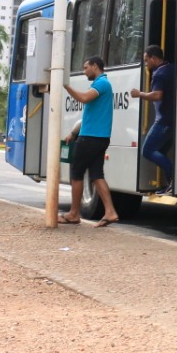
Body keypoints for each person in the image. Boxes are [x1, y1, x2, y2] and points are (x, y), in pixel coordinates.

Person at [60, 56, 120, 227]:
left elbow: (84, 98)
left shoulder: (102, 83)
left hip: (90, 139)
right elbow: (89, 117)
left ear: (95, 66)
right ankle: (110, 211)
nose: (84, 71)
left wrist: (66, 86)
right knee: (96, 175)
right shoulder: (101, 84)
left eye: (86, 67)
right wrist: (73, 132)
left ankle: (73, 213)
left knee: (77, 174)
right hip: (98, 138)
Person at [131, 45, 175, 194]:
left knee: (148, 151)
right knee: (160, 151)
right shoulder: (171, 68)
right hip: (172, 120)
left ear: (154, 58)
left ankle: (173, 181)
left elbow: (157, 95)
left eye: (146, 60)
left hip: (163, 121)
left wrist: (140, 94)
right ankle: (168, 184)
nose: (146, 64)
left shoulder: (159, 74)